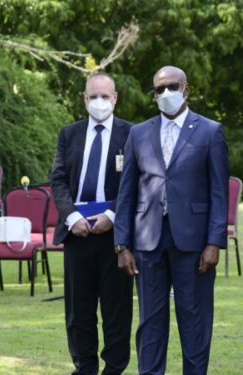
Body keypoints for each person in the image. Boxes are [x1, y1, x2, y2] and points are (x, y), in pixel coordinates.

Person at [114, 66, 228, 375]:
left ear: (186, 89)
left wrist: (214, 242)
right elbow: (127, 193)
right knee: (150, 322)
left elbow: (219, 192)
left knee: (194, 320)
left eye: (172, 86)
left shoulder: (209, 131)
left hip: (193, 242)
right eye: (159, 89)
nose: (166, 94)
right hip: (147, 242)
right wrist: (121, 244)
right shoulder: (138, 133)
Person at [50, 73, 134, 375]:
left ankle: (114, 368)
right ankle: (84, 367)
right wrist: (72, 218)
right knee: (78, 311)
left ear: (115, 98)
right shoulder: (69, 133)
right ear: (85, 99)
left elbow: (133, 184)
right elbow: (58, 180)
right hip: (78, 233)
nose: (99, 101)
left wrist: (112, 217)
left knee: (116, 310)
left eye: (105, 96)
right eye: (93, 96)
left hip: (115, 236)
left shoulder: (131, 134)